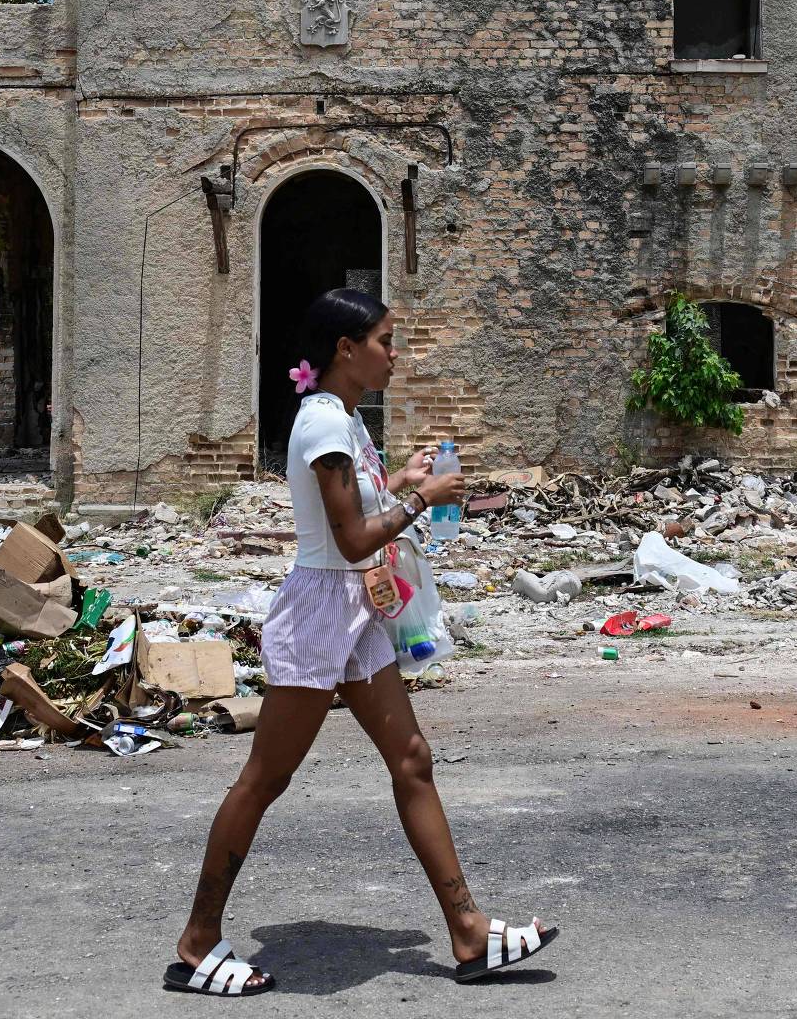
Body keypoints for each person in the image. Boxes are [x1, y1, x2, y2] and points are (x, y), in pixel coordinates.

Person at [165, 288, 559, 997]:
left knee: (412, 760)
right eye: (384, 340)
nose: (394, 353)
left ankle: (469, 933)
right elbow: (349, 542)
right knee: (265, 779)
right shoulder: (323, 425)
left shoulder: (345, 418)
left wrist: (401, 481)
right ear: (345, 351)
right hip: (322, 612)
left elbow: (356, 510)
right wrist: (423, 499)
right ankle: (196, 944)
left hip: (352, 615)